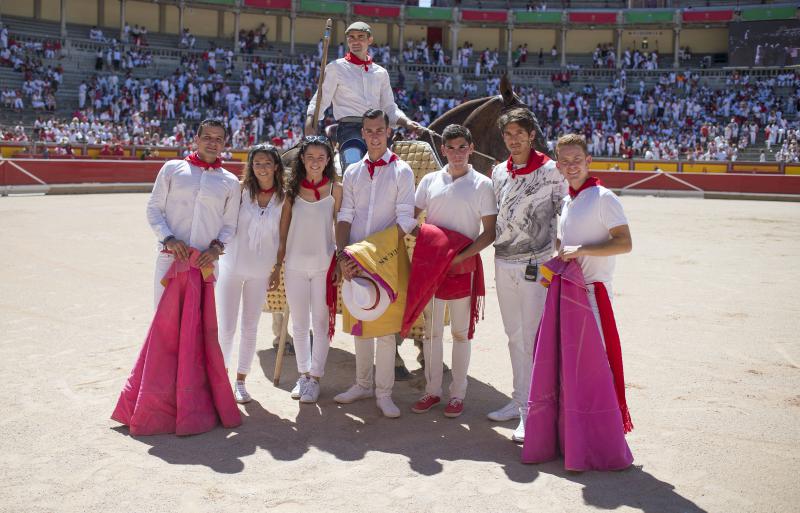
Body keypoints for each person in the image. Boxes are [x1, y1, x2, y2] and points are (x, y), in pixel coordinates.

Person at [489, 108, 567, 442]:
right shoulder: (498, 172)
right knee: (512, 334)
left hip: (536, 265)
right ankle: (519, 399)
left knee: (532, 338)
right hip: (503, 261)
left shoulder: (553, 171)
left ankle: (532, 409)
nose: (514, 140)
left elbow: (566, 210)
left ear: (532, 135)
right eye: (508, 134)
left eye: (520, 133)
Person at [334, 109, 417, 418]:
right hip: (355, 257)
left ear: (388, 132)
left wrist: (373, 251)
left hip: (385, 257)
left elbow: (406, 220)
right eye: (369, 130)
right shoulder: (353, 171)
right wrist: (343, 255)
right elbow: (345, 215)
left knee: (384, 329)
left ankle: (384, 392)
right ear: (363, 133)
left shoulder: (403, 171)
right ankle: (362, 384)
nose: (374, 135)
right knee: (359, 320)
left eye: (379, 130)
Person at [410, 124, 497, 418]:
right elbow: (410, 218)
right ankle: (432, 391)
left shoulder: (483, 184)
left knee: (461, 333)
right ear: (443, 150)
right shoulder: (430, 181)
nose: (457, 153)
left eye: (462, 147)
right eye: (451, 148)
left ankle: (457, 394)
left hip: (462, 265)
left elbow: (489, 232)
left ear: (471, 149)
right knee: (432, 333)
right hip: (435, 267)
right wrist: (427, 246)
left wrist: (462, 256)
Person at [273, 136, 342, 404]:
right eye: (310, 157)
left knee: (321, 323)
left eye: (321, 158)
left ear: (328, 161)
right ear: (302, 159)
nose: (315, 163)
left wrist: (339, 260)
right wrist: (278, 263)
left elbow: (340, 227)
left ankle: (316, 377)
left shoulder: (337, 190)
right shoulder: (291, 190)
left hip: (324, 265)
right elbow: (283, 230)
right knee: (300, 324)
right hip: (295, 266)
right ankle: (303, 374)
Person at [216, 144, 285, 404]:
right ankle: (220, 379)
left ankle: (241, 381)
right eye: (257, 163)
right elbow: (222, 222)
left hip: (260, 271)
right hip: (231, 266)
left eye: (267, 163)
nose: (262, 168)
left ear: (276, 166)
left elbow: (283, 235)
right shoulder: (239, 190)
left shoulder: (283, 197)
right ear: (251, 166)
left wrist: (278, 267)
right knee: (226, 327)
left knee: (250, 326)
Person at [146, 119, 240, 308]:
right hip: (170, 257)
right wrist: (169, 239)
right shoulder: (172, 169)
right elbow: (153, 209)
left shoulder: (230, 181)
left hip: (205, 262)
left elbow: (230, 224)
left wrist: (216, 248)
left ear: (224, 144)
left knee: (198, 323)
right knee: (165, 319)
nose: (212, 143)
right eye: (207, 137)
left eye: (218, 139)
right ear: (196, 139)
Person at [305, 22, 421, 162]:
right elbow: (321, 99)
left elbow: (389, 107)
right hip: (350, 129)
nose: (355, 41)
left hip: (377, 129)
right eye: (351, 38)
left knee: (393, 168)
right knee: (353, 164)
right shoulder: (335, 68)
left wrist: (407, 123)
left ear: (369, 40)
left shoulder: (381, 73)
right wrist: (310, 119)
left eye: (360, 37)